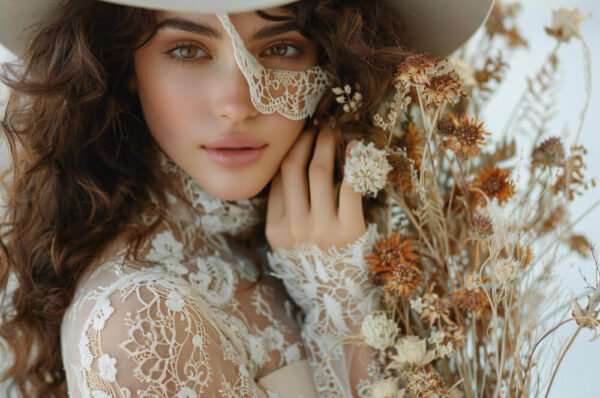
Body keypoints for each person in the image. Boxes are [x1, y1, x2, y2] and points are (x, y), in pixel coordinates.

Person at [0, 0, 494, 396]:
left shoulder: (328, 233)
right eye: (188, 50)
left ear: (331, 58)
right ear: (125, 64)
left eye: (280, 47)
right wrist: (338, 303)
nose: (237, 104)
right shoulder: (143, 323)